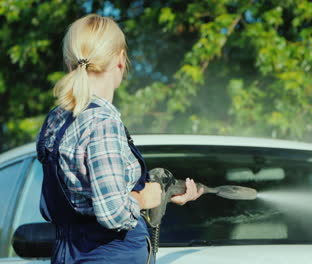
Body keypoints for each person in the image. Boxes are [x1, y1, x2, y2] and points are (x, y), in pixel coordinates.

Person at [36, 14, 203, 264]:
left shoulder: (55, 121)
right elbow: (113, 214)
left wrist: (164, 192)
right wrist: (147, 197)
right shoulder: (103, 122)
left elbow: (51, 208)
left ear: (69, 64)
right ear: (121, 60)